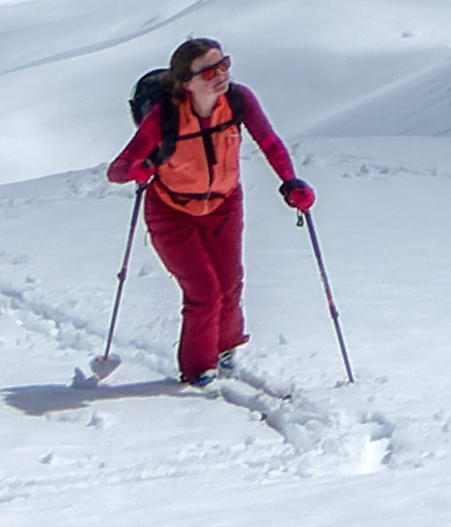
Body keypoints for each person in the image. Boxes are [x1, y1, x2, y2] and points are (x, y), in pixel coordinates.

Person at [107, 36, 312, 386]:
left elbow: (270, 142)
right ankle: (197, 373)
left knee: (230, 282)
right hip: (171, 212)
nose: (221, 75)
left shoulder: (238, 101)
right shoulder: (165, 117)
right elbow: (118, 169)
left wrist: (291, 181)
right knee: (204, 292)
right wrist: (137, 169)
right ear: (186, 83)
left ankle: (224, 351)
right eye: (209, 71)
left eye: (224, 64)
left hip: (224, 204)